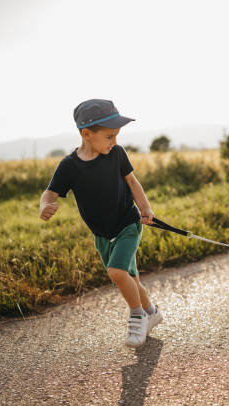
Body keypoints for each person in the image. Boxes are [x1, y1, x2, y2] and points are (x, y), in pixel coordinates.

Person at [39, 99, 163, 348]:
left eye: (116, 136)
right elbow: (49, 193)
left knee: (117, 273)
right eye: (109, 136)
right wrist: (45, 206)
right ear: (86, 134)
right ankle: (152, 313)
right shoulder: (69, 166)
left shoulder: (116, 154)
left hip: (127, 224)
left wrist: (145, 209)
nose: (114, 141)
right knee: (131, 279)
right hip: (102, 235)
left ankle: (137, 316)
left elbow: (132, 183)